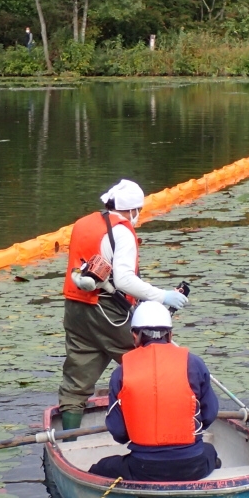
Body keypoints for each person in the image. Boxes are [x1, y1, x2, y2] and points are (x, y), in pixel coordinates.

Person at [58, 178, 189, 431]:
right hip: (107, 312)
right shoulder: (122, 231)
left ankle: (68, 440)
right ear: (133, 209)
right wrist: (162, 296)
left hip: (75, 308)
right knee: (152, 360)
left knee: (77, 378)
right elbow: (125, 279)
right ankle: (168, 424)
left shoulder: (83, 224)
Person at [89, 301, 220, 482]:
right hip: (192, 466)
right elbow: (209, 414)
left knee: (100, 467)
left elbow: (119, 432)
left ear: (135, 336)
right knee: (209, 451)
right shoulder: (194, 363)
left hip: (143, 468)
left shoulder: (122, 372)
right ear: (170, 334)